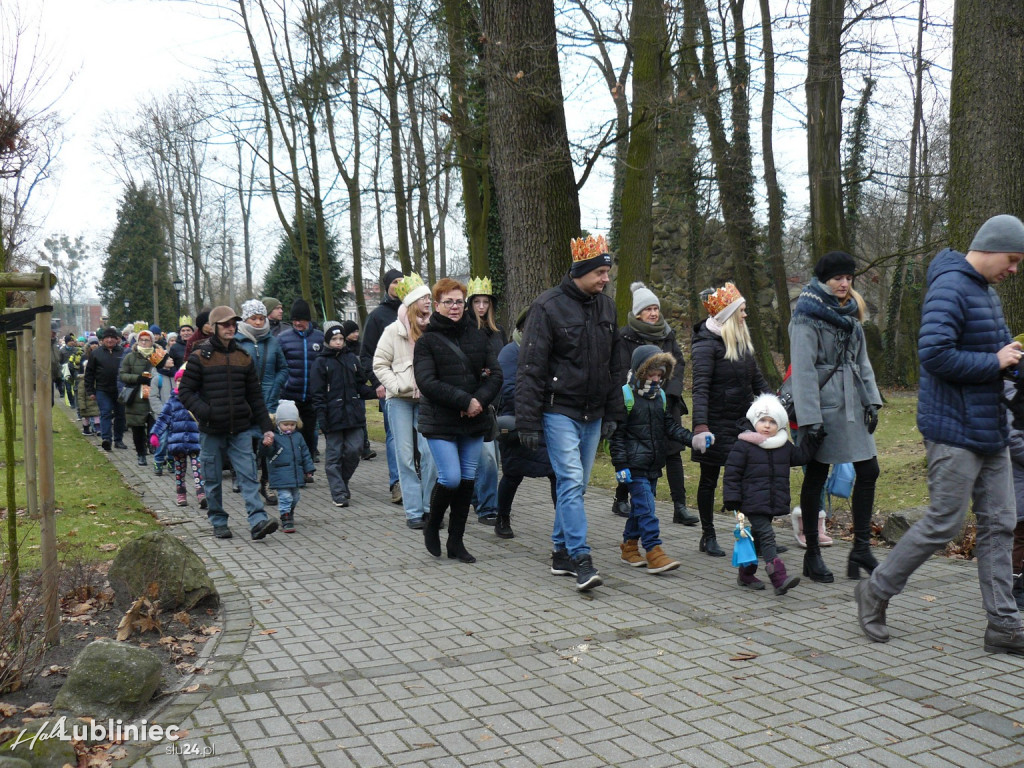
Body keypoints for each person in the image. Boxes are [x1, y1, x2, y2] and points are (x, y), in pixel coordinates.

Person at [854, 215, 1024, 653]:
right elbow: (934, 355)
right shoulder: (949, 286)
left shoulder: (985, 292)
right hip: (953, 429)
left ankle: (1002, 626)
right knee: (944, 523)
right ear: (991, 247)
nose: (1014, 270)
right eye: (1012, 259)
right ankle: (874, 592)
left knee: (1001, 524)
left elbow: (1000, 349)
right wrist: (995, 362)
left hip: (992, 429)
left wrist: (1013, 359)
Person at [516, 234, 625, 591]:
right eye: (601, 272)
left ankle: (560, 550)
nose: (606, 279)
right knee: (571, 481)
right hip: (558, 409)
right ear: (582, 271)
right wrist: (528, 420)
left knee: (574, 487)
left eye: (607, 272)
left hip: (593, 412)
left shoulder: (607, 308)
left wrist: (612, 412)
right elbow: (530, 366)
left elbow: (615, 365)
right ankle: (581, 557)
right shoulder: (547, 307)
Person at [789, 250, 884, 583]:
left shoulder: (850, 313)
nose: (844, 284)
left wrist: (873, 402)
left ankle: (860, 549)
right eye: (838, 278)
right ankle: (812, 554)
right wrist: (811, 421)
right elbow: (802, 371)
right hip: (822, 409)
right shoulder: (806, 315)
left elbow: (863, 363)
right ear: (823, 280)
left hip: (854, 406)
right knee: (816, 474)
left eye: (848, 278)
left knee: (869, 469)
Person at [414, 277, 503, 564]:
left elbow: (496, 374)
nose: (454, 307)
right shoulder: (426, 341)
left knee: (467, 480)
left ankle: (456, 541)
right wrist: (465, 401)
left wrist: (478, 401)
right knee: (450, 477)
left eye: (458, 302)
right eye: (448, 302)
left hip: (473, 420)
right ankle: (432, 525)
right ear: (436, 305)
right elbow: (427, 381)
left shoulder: (479, 335)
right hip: (441, 420)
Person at [177, 305, 279, 541]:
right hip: (211, 431)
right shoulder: (199, 356)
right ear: (214, 328)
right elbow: (185, 392)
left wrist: (266, 427)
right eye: (225, 324)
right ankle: (219, 521)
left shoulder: (243, 357)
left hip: (241, 429)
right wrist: (206, 412)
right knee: (212, 481)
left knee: (249, 476)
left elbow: (255, 396)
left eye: (233, 324)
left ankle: (257, 521)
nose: (230, 328)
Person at [610, 345, 710, 575]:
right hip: (634, 466)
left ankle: (629, 547)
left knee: (639, 509)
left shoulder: (660, 397)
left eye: (660, 375)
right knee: (647, 509)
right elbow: (618, 436)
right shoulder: (625, 395)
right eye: (652, 374)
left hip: (654, 464)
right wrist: (621, 465)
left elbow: (670, 427)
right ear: (640, 372)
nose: (656, 380)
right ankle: (654, 551)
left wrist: (693, 439)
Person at [690, 282, 770, 558]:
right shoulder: (705, 346)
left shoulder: (742, 344)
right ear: (729, 314)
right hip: (714, 424)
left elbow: (757, 382)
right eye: (742, 310)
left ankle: (758, 535)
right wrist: (701, 427)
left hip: (741, 423)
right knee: (709, 480)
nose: (746, 315)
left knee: (749, 480)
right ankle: (707, 535)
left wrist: (775, 407)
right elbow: (700, 388)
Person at [613, 282, 697, 526]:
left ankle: (679, 506)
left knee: (673, 452)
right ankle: (621, 497)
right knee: (633, 452)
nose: (653, 313)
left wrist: (669, 391)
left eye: (655, 308)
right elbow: (620, 368)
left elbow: (678, 364)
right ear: (638, 313)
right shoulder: (625, 336)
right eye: (648, 309)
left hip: (664, 400)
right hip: (635, 403)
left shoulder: (667, 334)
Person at [723, 394, 825, 594]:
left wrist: (814, 440)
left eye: (772, 422)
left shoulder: (783, 445)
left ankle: (745, 574)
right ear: (754, 421)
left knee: (757, 537)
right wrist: (732, 497)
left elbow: (800, 456)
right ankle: (778, 576)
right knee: (768, 536)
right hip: (750, 500)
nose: (767, 426)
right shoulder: (744, 445)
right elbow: (732, 473)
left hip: (772, 499)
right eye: (762, 421)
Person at [373, 274, 438, 528]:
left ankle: (429, 507)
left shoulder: (432, 330)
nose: (428, 302)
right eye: (423, 298)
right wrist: (397, 385)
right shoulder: (393, 331)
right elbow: (379, 363)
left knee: (431, 453)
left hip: (427, 399)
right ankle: (413, 512)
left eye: (429, 298)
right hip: (399, 401)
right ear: (412, 302)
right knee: (405, 457)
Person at [494, 307, 556, 539]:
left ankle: (563, 522)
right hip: (518, 421)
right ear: (522, 327)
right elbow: (508, 390)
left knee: (556, 473)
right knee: (513, 473)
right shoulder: (510, 353)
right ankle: (502, 517)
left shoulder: (548, 351)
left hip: (546, 422)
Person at [312, 325, 377, 507]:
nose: (338, 342)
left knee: (354, 451)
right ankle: (338, 492)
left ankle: (342, 481)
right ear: (327, 341)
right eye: (334, 339)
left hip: (353, 416)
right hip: (332, 417)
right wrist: (322, 417)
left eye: (341, 338)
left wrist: (375, 392)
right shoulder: (321, 362)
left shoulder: (351, 359)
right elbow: (317, 394)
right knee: (334, 455)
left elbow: (360, 385)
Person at [235, 299, 289, 504]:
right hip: (244, 400)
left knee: (268, 442)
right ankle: (245, 479)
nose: (258, 322)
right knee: (245, 443)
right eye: (253, 318)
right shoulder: (238, 342)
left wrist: (275, 387)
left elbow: (283, 368)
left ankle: (267, 481)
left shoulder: (272, 341)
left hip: (269, 398)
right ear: (245, 319)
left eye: (261, 318)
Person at [360, 269, 405, 504]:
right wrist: (378, 382)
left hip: (416, 386)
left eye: (402, 282)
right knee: (394, 435)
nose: (398, 286)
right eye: (394, 282)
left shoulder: (416, 311)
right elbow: (366, 355)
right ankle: (397, 483)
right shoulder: (378, 317)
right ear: (387, 286)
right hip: (389, 387)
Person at [466, 276, 506, 526]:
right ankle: (487, 506)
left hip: (495, 401)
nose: (481, 307)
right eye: (477, 302)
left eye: (485, 302)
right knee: (483, 458)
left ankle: (483, 500)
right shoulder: (466, 331)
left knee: (490, 458)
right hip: (472, 401)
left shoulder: (497, 332)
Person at [278, 298, 325, 468]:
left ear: (308, 320)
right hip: (290, 395)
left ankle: (308, 464)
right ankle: (293, 466)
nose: (298, 323)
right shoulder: (283, 339)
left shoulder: (320, 338)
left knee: (309, 433)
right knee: (290, 432)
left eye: (301, 320)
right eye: (295, 320)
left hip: (312, 396)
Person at [150, 369, 206, 508]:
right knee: (179, 470)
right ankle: (181, 494)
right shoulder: (172, 401)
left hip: (195, 440)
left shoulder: (196, 398)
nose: (181, 383)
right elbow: (163, 418)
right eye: (179, 381)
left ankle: (201, 493)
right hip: (177, 440)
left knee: (198, 468)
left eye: (183, 381)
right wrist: (155, 433)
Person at [260, 400, 315, 533]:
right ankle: (285, 519)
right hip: (280, 473)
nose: (289, 427)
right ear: (278, 423)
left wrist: (309, 469)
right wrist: (266, 445)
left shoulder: (298, 437)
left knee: (295, 497)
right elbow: (265, 454)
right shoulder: (274, 437)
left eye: (292, 424)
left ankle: (289, 512)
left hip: (295, 473)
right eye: (286, 424)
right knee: (285, 497)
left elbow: (305, 453)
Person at [119, 329, 164, 466]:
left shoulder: (158, 356)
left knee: (155, 426)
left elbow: (167, 371)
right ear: (137, 341)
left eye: (147, 340)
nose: (144, 343)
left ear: (152, 341)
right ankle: (141, 454)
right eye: (141, 340)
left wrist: (156, 379)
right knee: (137, 429)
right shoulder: (130, 357)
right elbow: (123, 374)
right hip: (136, 397)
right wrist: (137, 378)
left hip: (154, 396)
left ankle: (155, 449)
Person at [84, 326, 128, 451]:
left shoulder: (123, 353)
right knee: (105, 412)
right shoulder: (95, 353)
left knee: (120, 415)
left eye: (112, 338)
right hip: (102, 390)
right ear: (102, 340)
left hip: (120, 390)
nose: (109, 340)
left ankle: (118, 440)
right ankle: (106, 439)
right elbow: (89, 374)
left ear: (117, 339)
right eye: (107, 338)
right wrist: (90, 391)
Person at [343, 319, 376, 461]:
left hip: (359, 387)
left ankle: (365, 446)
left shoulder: (361, 348)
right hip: (345, 389)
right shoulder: (344, 349)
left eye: (357, 331)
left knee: (361, 417)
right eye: (352, 332)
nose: (356, 334)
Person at [77, 339, 101, 436]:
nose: (94, 345)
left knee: (96, 415)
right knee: (86, 417)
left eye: (96, 343)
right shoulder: (83, 382)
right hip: (86, 404)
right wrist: (82, 406)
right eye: (92, 343)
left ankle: (98, 428)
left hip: (94, 403)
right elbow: (81, 395)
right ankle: (86, 429)